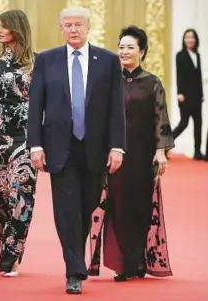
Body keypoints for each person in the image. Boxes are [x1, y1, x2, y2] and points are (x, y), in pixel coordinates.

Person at [27, 6, 126, 294]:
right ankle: (74, 268)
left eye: (78, 25)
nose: (73, 29)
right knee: (66, 210)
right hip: (59, 147)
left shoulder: (107, 61)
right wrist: (35, 145)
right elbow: (36, 106)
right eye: (68, 25)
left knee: (87, 205)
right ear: (61, 28)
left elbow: (115, 109)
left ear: (88, 27)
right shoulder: (47, 61)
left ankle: (75, 255)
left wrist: (117, 146)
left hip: (95, 147)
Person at [88, 25, 174, 281]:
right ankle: (123, 263)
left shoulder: (152, 83)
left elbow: (162, 119)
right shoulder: (109, 81)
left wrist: (161, 152)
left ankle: (136, 261)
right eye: (121, 47)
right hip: (114, 154)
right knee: (116, 206)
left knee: (138, 206)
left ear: (142, 52)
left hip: (141, 155)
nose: (124, 51)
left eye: (130, 47)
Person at [0, 9, 36, 277]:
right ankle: (6, 247)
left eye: (4, 26)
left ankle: (12, 253)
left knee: (22, 195)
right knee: (1, 198)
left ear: (17, 28)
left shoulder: (36, 62)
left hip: (27, 137)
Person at [172, 29, 204, 160]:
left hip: (197, 96)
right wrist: (179, 93)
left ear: (196, 40)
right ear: (184, 40)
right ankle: (163, 146)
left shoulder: (197, 55)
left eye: (192, 37)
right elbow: (179, 75)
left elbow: (198, 76)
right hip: (185, 96)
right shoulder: (180, 55)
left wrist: (202, 94)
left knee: (198, 124)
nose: (190, 40)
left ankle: (197, 151)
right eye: (187, 37)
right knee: (184, 123)